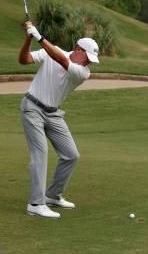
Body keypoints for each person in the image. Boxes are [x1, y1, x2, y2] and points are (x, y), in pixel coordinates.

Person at [18, 21, 99, 219]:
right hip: (32, 108)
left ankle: (52, 195)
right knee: (40, 153)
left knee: (71, 155)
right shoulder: (51, 52)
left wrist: (39, 36)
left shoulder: (82, 72)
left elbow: (62, 60)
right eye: (87, 57)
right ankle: (36, 203)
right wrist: (29, 39)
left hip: (53, 114)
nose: (88, 62)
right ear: (78, 49)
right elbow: (24, 60)